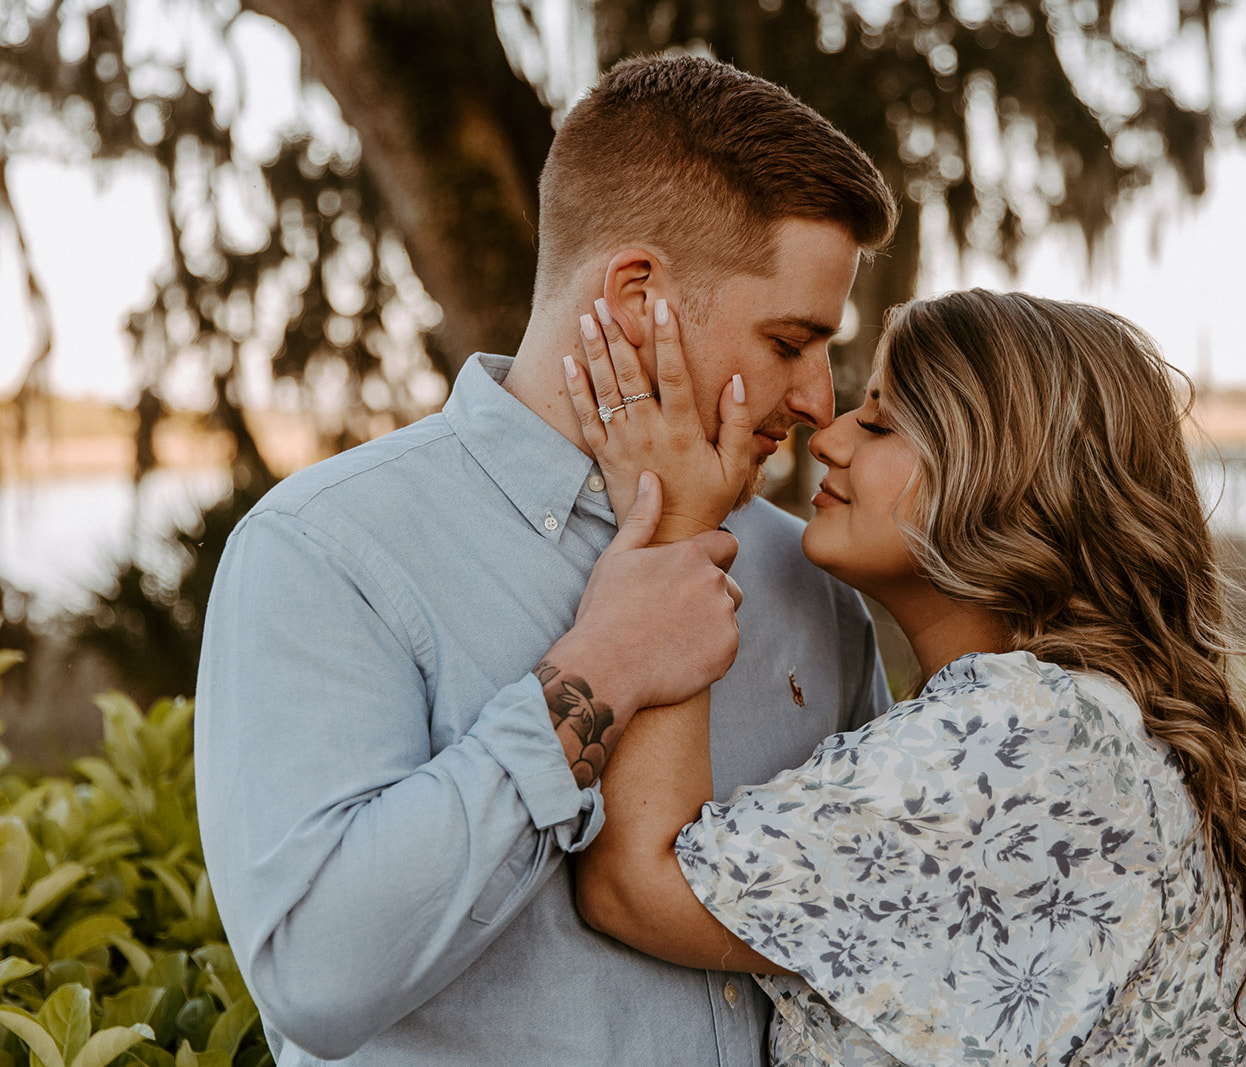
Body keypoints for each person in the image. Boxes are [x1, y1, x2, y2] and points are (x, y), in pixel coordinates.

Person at [193, 55, 898, 1065]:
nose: (819, 401)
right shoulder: (324, 548)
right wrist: (603, 666)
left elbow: (872, 931)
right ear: (638, 295)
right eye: (789, 340)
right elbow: (316, 974)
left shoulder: (809, 582)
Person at [557, 289, 1246, 1066]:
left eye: (880, 421)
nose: (828, 438)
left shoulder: (1024, 737)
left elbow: (634, 886)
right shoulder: (1078, 724)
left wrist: (675, 524)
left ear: (1005, 474)